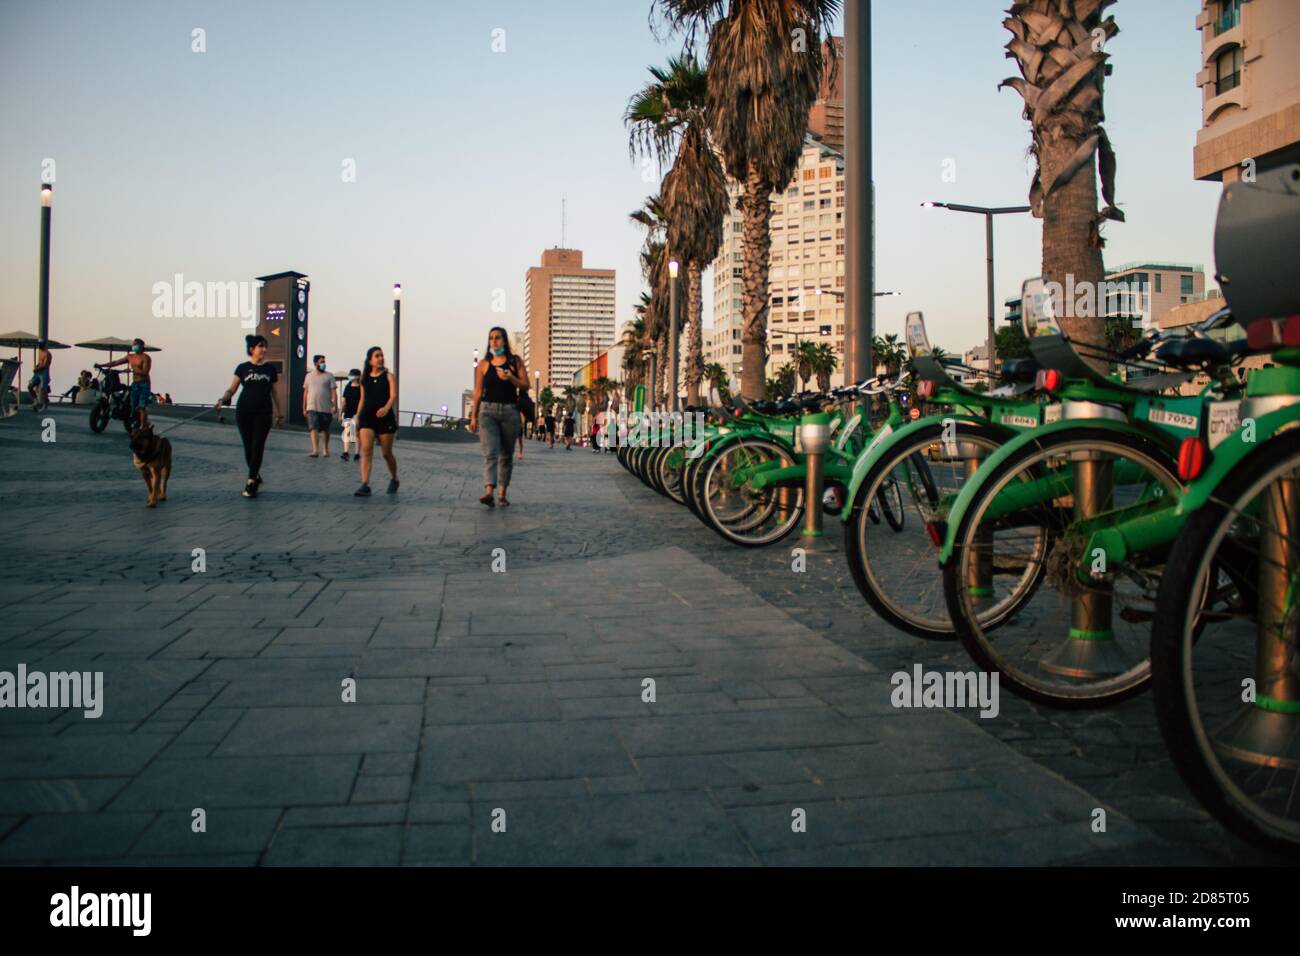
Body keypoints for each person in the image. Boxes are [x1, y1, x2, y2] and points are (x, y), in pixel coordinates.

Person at [216, 334, 284, 498]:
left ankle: (251, 481)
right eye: (261, 346)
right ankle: (255, 474)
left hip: (264, 412)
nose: (264, 349)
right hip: (244, 411)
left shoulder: (270, 369)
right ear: (251, 349)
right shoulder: (242, 368)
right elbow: (232, 388)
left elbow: (275, 393)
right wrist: (222, 399)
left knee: (258, 446)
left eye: (265, 346)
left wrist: (280, 414)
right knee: (248, 447)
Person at [469, 327, 529, 508]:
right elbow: (478, 391)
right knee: (490, 453)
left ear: (504, 341)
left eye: (498, 338)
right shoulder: (483, 365)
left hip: (510, 412)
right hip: (487, 412)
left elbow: (525, 385)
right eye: (491, 338)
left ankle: (502, 493)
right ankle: (489, 491)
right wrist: (473, 416)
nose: (494, 341)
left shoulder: (515, 362)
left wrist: (511, 377)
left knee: (506, 455)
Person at [354, 346, 399, 497]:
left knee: (386, 453)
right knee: (366, 450)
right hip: (367, 418)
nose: (380, 358)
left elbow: (393, 396)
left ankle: (394, 478)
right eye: (377, 356)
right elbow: (362, 399)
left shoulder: (388, 376)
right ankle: (365, 484)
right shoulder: (364, 378)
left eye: (382, 355)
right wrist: (358, 417)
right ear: (370, 360)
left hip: (385, 419)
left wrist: (386, 408)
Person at [97, 337, 152, 428]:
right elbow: (116, 362)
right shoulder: (130, 356)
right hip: (135, 383)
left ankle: (143, 427)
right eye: (133, 344)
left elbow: (145, 372)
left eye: (136, 345)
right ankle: (132, 420)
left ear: (141, 346)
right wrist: (102, 365)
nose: (134, 346)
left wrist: (132, 369)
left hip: (144, 384)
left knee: (141, 407)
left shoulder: (146, 358)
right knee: (133, 405)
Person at [303, 354, 337, 458]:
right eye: (322, 362)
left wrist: (335, 405)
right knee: (313, 427)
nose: (324, 364)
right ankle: (315, 450)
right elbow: (305, 392)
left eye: (324, 362)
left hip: (326, 408)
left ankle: (325, 449)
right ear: (316, 363)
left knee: (325, 430)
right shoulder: (308, 376)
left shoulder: (329, 376)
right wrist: (304, 407)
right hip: (311, 407)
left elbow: (333, 392)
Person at [339, 368, 361, 461]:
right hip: (348, 411)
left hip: (358, 412)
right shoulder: (348, 386)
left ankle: (357, 453)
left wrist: (359, 414)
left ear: (357, 376)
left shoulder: (361, 387)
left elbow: (362, 401)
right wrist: (340, 413)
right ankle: (346, 452)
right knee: (347, 431)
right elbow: (344, 401)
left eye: (352, 374)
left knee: (356, 433)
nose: (350, 376)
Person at [31, 341, 53, 407]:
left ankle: (45, 404)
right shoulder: (40, 352)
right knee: (30, 386)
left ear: (44, 345)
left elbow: (45, 365)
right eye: (39, 345)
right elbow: (41, 363)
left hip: (44, 373)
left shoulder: (48, 354)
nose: (39, 346)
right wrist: (37, 366)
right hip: (38, 373)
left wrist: (37, 369)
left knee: (44, 389)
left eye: (41, 345)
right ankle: (36, 401)